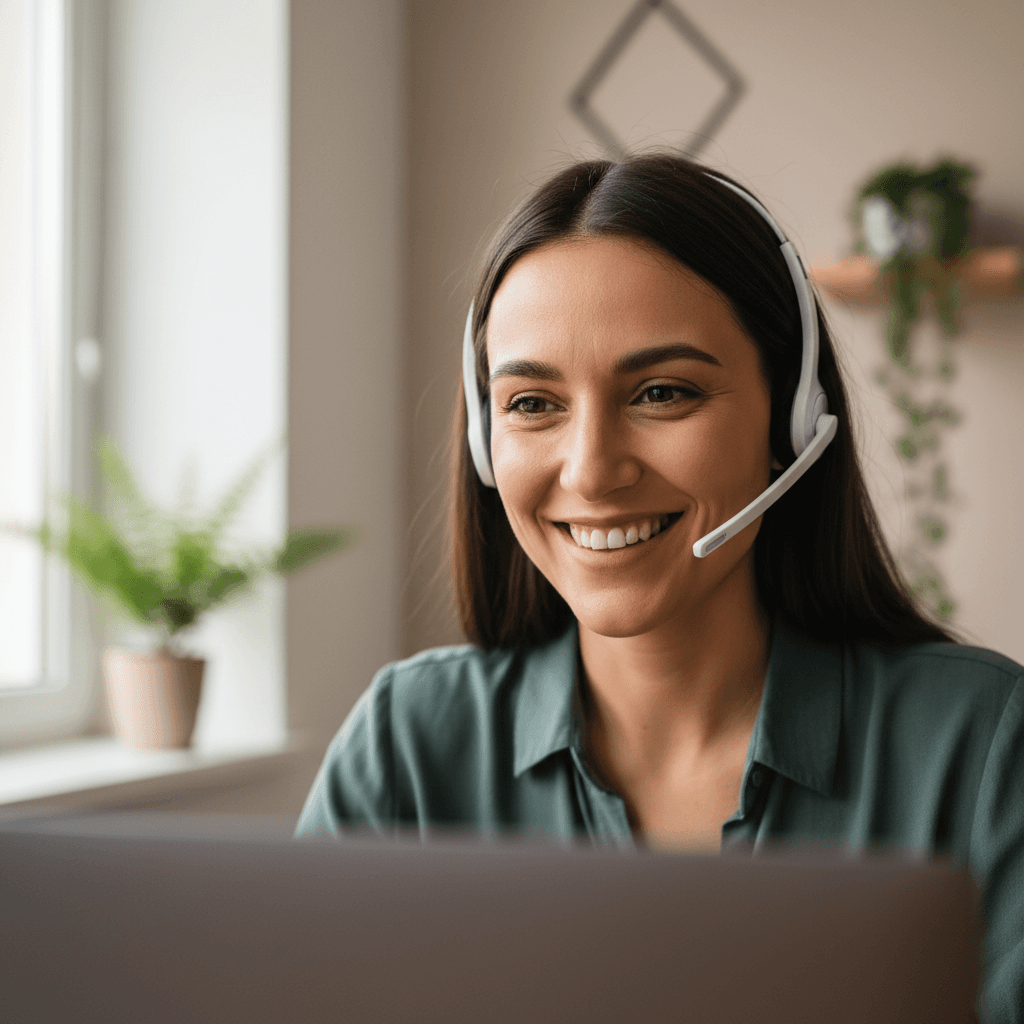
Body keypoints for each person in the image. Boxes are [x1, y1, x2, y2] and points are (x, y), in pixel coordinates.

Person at [296, 154, 1023, 1021]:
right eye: (532, 403)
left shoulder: (981, 747)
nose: (593, 471)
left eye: (662, 392)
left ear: (790, 419)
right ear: (489, 444)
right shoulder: (407, 747)